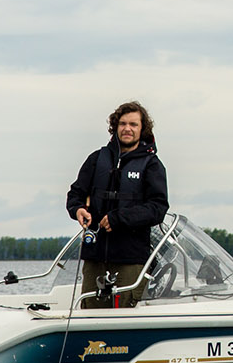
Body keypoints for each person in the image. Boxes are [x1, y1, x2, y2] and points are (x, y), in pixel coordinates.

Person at [66, 101, 169, 308]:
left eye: (133, 124)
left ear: (143, 129)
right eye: (122, 124)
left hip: (130, 259)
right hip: (94, 257)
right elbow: (75, 195)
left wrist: (120, 218)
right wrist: (77, 209)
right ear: (115, 127)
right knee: (88, 316)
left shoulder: (152, 165)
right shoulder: (96, 159)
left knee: (124, 314)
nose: (127, 129)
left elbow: (158, 208)